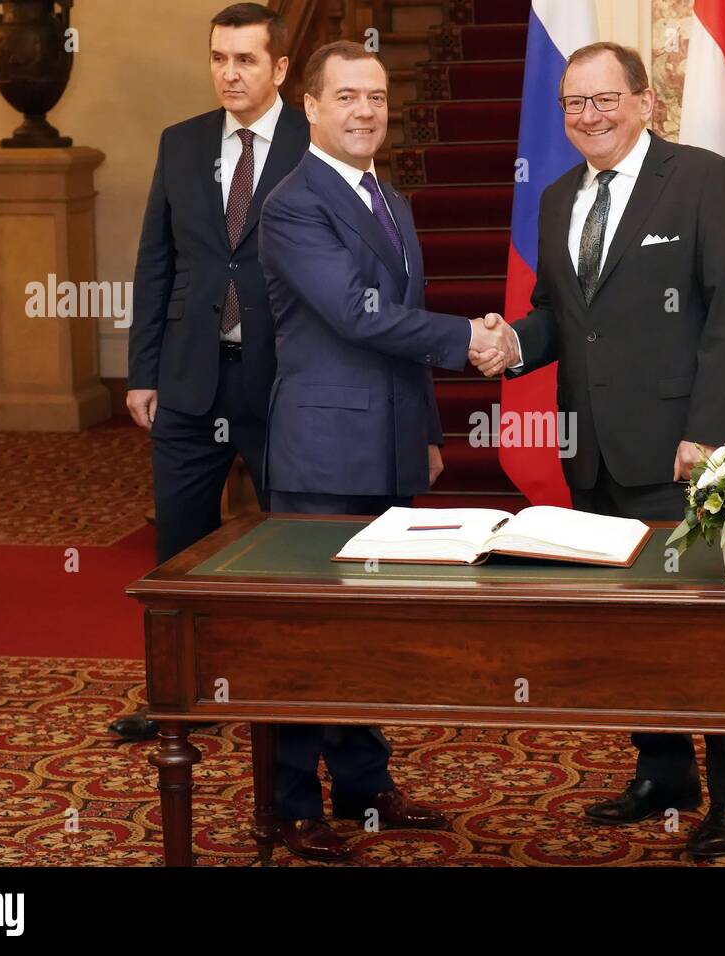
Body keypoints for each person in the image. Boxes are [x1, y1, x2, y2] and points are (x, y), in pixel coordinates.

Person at [472, 42, 725, 858]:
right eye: (574, 104)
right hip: (593, 453)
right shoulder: (560, 196)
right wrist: (510, 348)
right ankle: (663, 775)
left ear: (644, 102)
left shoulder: (702, 178)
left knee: (706, 634)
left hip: (681, 452)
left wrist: (705, 435)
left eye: (604, 100)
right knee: (632, 631)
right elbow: (559, 316)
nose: (587, 117)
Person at [256, 40, 513, 861]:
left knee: (363, 633)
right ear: (312, 107)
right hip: (323, 452)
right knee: (307, 638)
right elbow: (357, 314)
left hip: (393, 448)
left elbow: (397, 325)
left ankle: (365, 785)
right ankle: (291, 805)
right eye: (347, 97)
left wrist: (431, 435)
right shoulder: (293, 204)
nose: (365, 111)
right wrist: (469, 339)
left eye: (376, 97)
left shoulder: (390, 200)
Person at [112, 3, 309, 742]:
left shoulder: (314, 140)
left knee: (293, 543)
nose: (229, 72)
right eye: (219, 58)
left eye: (246, 59)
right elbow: (155, 262)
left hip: (285, 380)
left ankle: (287, 695)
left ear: (281, 67)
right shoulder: (182, 141)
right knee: (179, 549)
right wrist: (141, 372)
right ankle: (176, 698)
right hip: (190, 376)